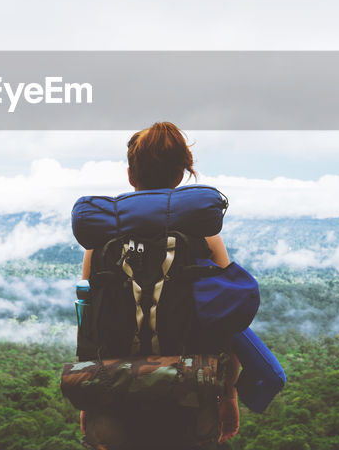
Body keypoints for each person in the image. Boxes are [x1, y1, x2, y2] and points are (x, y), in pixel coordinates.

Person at [79, 121, 241, 449]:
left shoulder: (99, 241)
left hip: (117, 402)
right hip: (191, 403)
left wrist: (88, 399)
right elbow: (228, 323)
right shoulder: (205, 237)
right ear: (181, 174)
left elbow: (89, 329)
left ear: (130, 175)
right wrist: (229, 393)